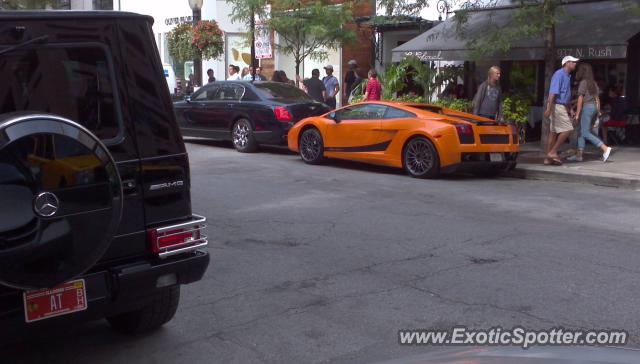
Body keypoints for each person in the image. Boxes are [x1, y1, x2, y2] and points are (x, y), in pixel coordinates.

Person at [567, 63, 612, 162]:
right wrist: (598, 111)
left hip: (587, 108)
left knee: (585, 132)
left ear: (582, 71)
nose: (577, 71)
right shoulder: (593, 83)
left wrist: (577, 114)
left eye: (579, 70)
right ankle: (579, 155)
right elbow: (597, 98)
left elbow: (580, 99)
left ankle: (605, 148)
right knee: (582, 132)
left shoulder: (583, 83)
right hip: (593, 108)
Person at [543, 56, 579, 165]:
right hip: (557, 106)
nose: (575, 64)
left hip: (560, 106)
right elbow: (552, 93)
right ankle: (553, 152)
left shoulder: (567, 76)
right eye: (573, 62)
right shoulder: (559, 74)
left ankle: (548, 159)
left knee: (553, 133)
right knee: (568, 129)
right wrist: (548, 109)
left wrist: (570, 109)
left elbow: (565, 95)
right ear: (567, 63)